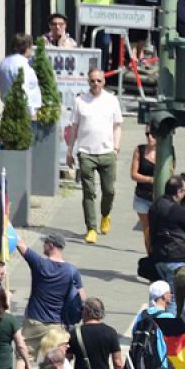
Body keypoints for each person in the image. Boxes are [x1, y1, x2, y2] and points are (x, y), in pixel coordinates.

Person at [66, 68, 123, 244]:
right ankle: (91, 228)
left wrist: (116, 147)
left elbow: (117, 125)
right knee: (88, 193)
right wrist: (70, 150)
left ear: (104, 81)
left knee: (109, 190)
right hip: (86, 152)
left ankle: (105, 214)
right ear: (88, 82)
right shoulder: (80, 101)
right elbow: (74, 128)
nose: (95, 84)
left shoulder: (112, 100)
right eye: (92, 81)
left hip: (107, 152)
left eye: (99, 81)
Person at [148, 176, 185, 290]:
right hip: (175, 258)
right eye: (184, 190)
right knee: (174, 298)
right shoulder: (173, 209)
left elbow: (174, 220)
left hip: (159, 256)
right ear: (179, 192)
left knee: (164, 295)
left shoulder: (157, 204)